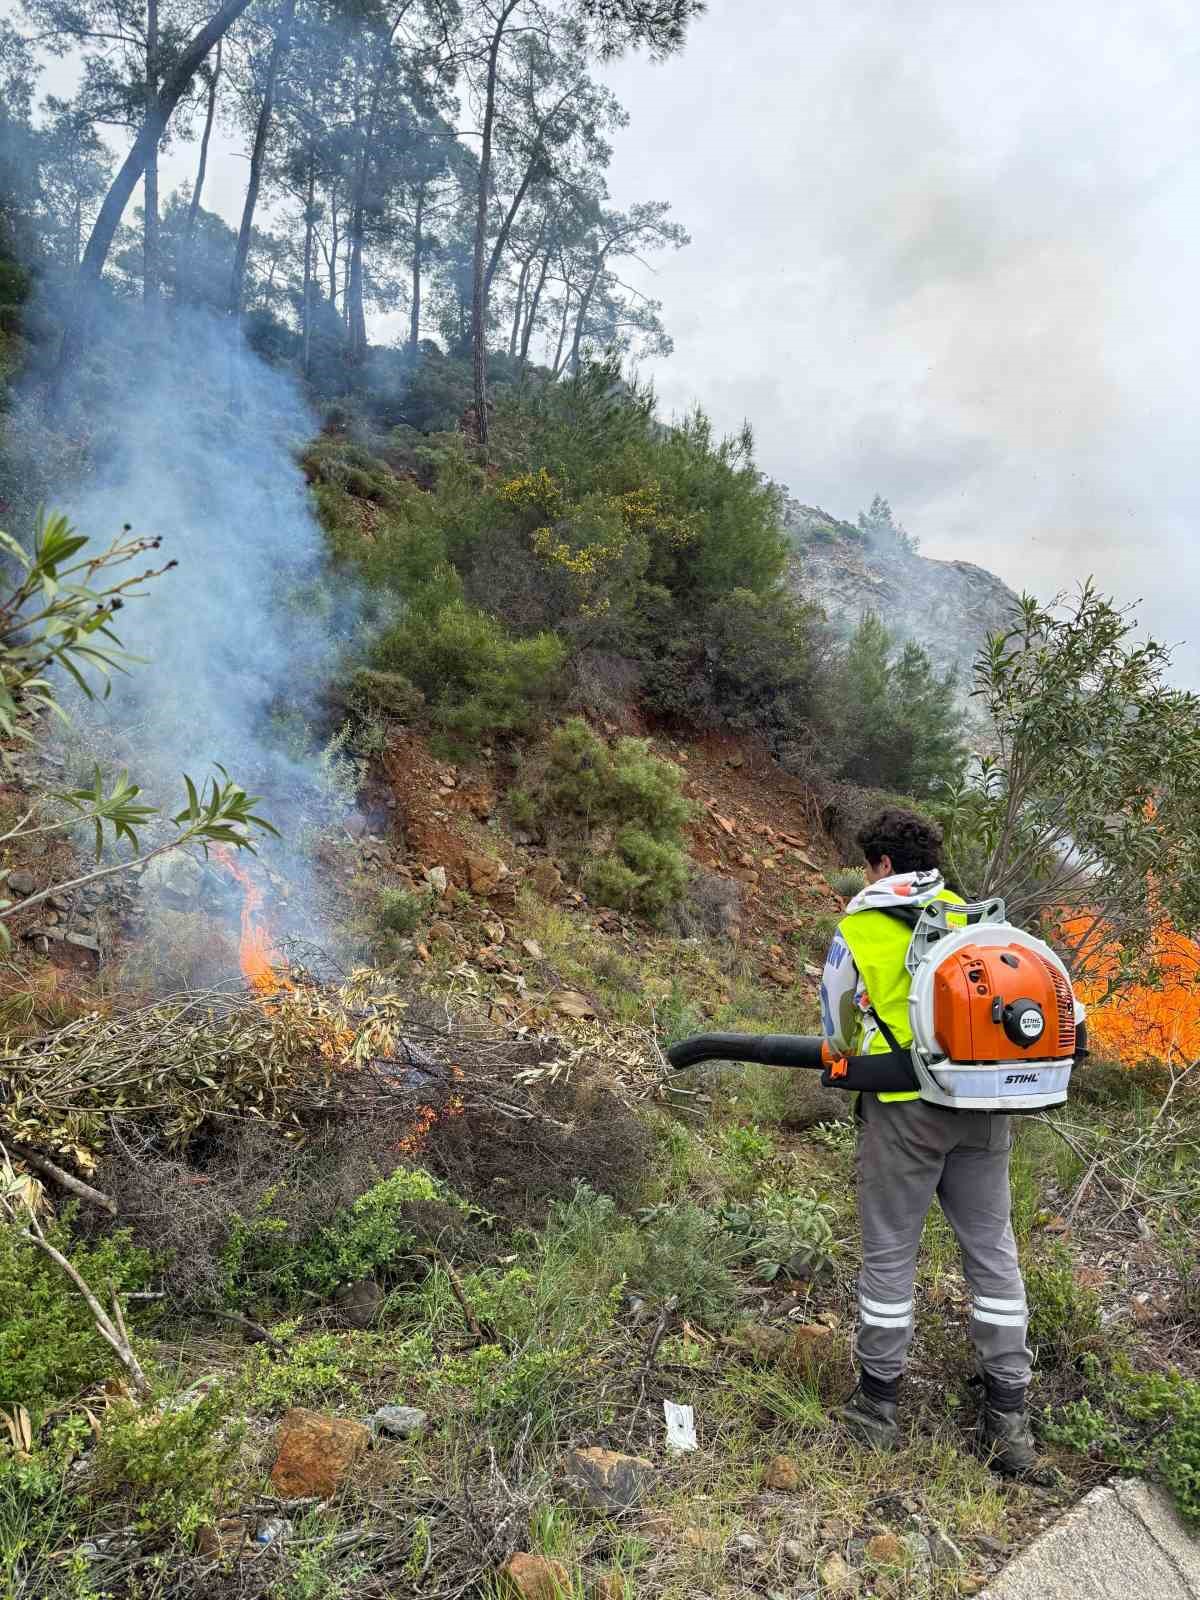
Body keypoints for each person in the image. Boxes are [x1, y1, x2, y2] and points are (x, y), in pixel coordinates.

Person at [819, 806, 1039, 1476]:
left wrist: (848, 1055)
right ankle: (1009, 1416)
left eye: (868, 863)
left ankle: (877, 1409)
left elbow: (834, 1025)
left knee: (890, 1255)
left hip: (904, 1112)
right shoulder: (975, 917)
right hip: (983, 1108)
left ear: (881, 865)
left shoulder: (858, 927)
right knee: (994, 1254)